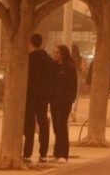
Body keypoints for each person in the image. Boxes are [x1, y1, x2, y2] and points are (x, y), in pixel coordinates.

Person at [24, 34, 55, 163]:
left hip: (30, 95)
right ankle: (43, 154)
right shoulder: (48, 59)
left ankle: (27, 153)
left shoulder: (29, 59)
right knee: (43, 123)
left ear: (31, 43)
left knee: (29, 124)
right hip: (43, 96)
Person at [50, 45, 78, 162]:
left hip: (64, 101)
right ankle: (56, 153)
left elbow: (73, 85)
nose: (55, 55)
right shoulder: (54, 66)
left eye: (57, 53)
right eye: (54, 53)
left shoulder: (69, 67)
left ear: (63, 54)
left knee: (62, 126)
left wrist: (70, 99)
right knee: (56, 127)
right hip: (54, 100)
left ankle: (63, 154)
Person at [70, 44, 85, 122]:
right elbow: (83, 69)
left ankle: (69, 111)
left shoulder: (68, 59)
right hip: (77, 77)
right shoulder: (80, 58)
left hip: (69, 78)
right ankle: (73, 111)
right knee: (76, 95)